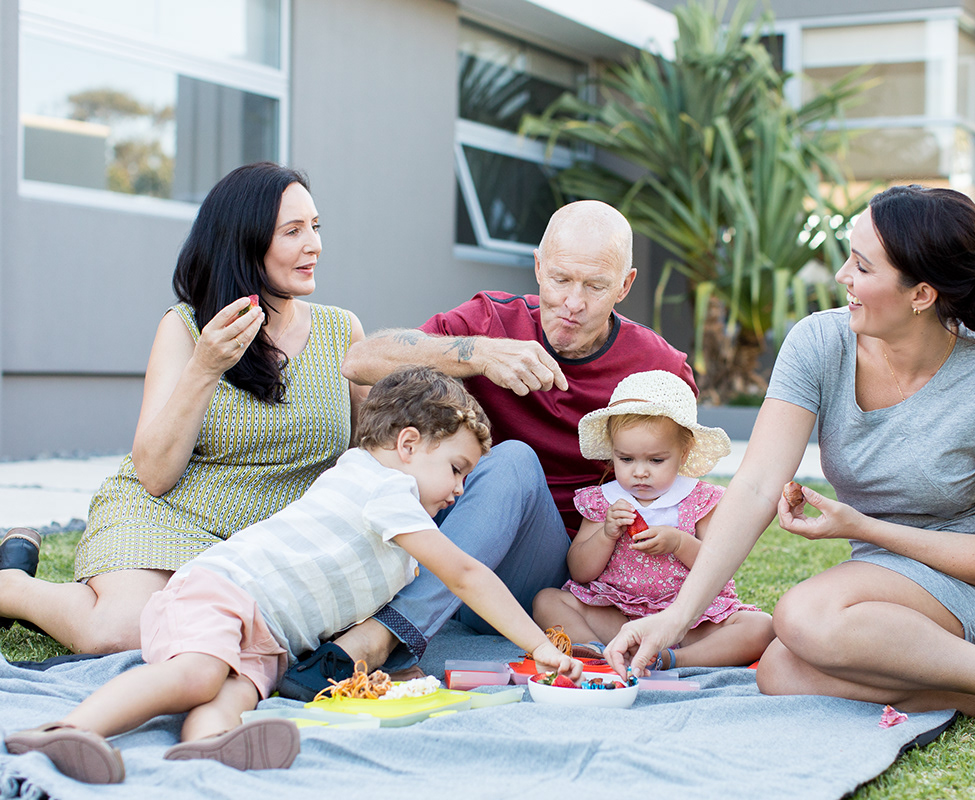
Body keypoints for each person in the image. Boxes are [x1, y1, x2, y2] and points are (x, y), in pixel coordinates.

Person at [605, 185, 975, 743]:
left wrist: (860, 527)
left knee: (801, 614)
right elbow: (754, 486)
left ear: (921, 294)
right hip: (878, 607)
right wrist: (676, 617)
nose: (842, 277)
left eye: (862, 265)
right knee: (780, 672)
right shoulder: (819, 345)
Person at [4, 367, 583, 784]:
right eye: (456, 469)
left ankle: (205, 749)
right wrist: (536, 645)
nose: (460, 491)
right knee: (200, 673)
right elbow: (463, 573)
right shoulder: (384, 488)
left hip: (268, 634)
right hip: (221, 593)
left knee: (236, 690)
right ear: (408, 445)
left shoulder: (394, 513)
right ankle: (67, 731)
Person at [279, 200, 695, 699]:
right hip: (450, 545)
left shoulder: (660, 368)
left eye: (595, 286)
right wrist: (478, 354)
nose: (573, 302)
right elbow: (361, 361)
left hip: (554, 580)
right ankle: (384, 623)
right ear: (538, 265)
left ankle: (380, 636)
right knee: (509, 460)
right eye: (560, 279)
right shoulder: (492, 322)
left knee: (516, 459)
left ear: (625, 286)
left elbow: (684, 495)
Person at [0, 162, 367, 654]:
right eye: (293, 231)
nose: (314, 245)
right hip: (168, 515)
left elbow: (367, 459)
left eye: (315, 227)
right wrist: (204, 367)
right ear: (245, 239)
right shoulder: (186, 328)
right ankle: (12, 587)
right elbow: (154, 474)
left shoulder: (342, 332)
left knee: (221, 639)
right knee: (120, 632)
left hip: (270, 546)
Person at [532, 370, 773, 669]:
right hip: (617, 613)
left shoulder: (699, 499)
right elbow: (580, 571)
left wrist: (679, 542)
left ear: (683, 453)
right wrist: (606, 534)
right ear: (613, 453)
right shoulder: (604, 500)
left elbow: (719, 563)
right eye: (626, 459)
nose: (640, 472)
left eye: (656, 460)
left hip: (688, 621)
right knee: (547, 600)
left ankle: (671, 658)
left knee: (761, 626)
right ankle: (593, 649)